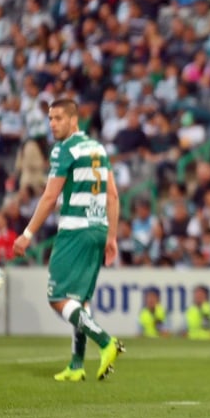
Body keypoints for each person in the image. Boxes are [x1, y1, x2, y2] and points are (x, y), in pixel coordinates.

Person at [13, 98, 124, 382]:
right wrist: (111, 236)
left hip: (75, 229)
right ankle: (76, 365)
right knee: (79, 300)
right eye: (50, 118)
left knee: (58, 298)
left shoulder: (64, 149)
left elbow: (50, 196)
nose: (52, 124)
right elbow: (112, 194)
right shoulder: (98, 148)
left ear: (74, 120)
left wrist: (27, 234)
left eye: (59, 118)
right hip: (98, 229)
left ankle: (105, 341)